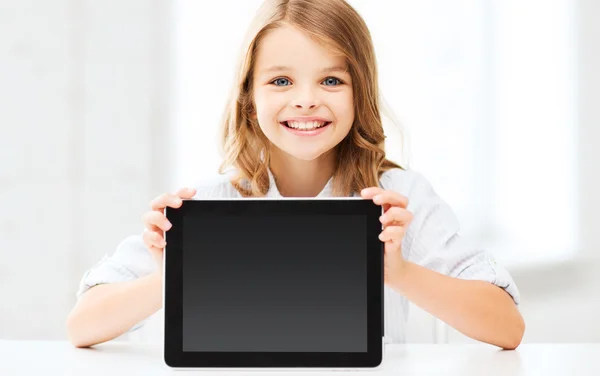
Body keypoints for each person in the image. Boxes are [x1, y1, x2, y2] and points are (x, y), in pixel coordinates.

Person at [66, 0, 525, 350]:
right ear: (248, 97)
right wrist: (173, 278)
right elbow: (83, 325)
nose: (305, 100)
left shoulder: (397, 199)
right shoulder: (208, 202)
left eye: (331, 80)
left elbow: (507, 326)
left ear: (360, 92)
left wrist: (399, 271)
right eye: (281, 81)